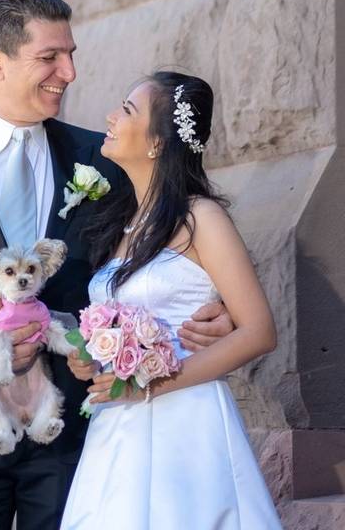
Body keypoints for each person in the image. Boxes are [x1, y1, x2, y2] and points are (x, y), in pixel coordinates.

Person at [0, 0, 234, 529]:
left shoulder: (102, 158)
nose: (69, 72)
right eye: (49, 57)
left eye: (71, 54)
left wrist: (216, 306)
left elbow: (170, 239)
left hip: (77, 434)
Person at [60, 72, 281, 529]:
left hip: (186, 425)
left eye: (127, 109)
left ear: (158, 143)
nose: (112, 117)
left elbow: (259, 331)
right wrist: (90, 357)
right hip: (118, 428)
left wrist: (154, 385)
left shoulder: (201, 217)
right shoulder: (122, 223)